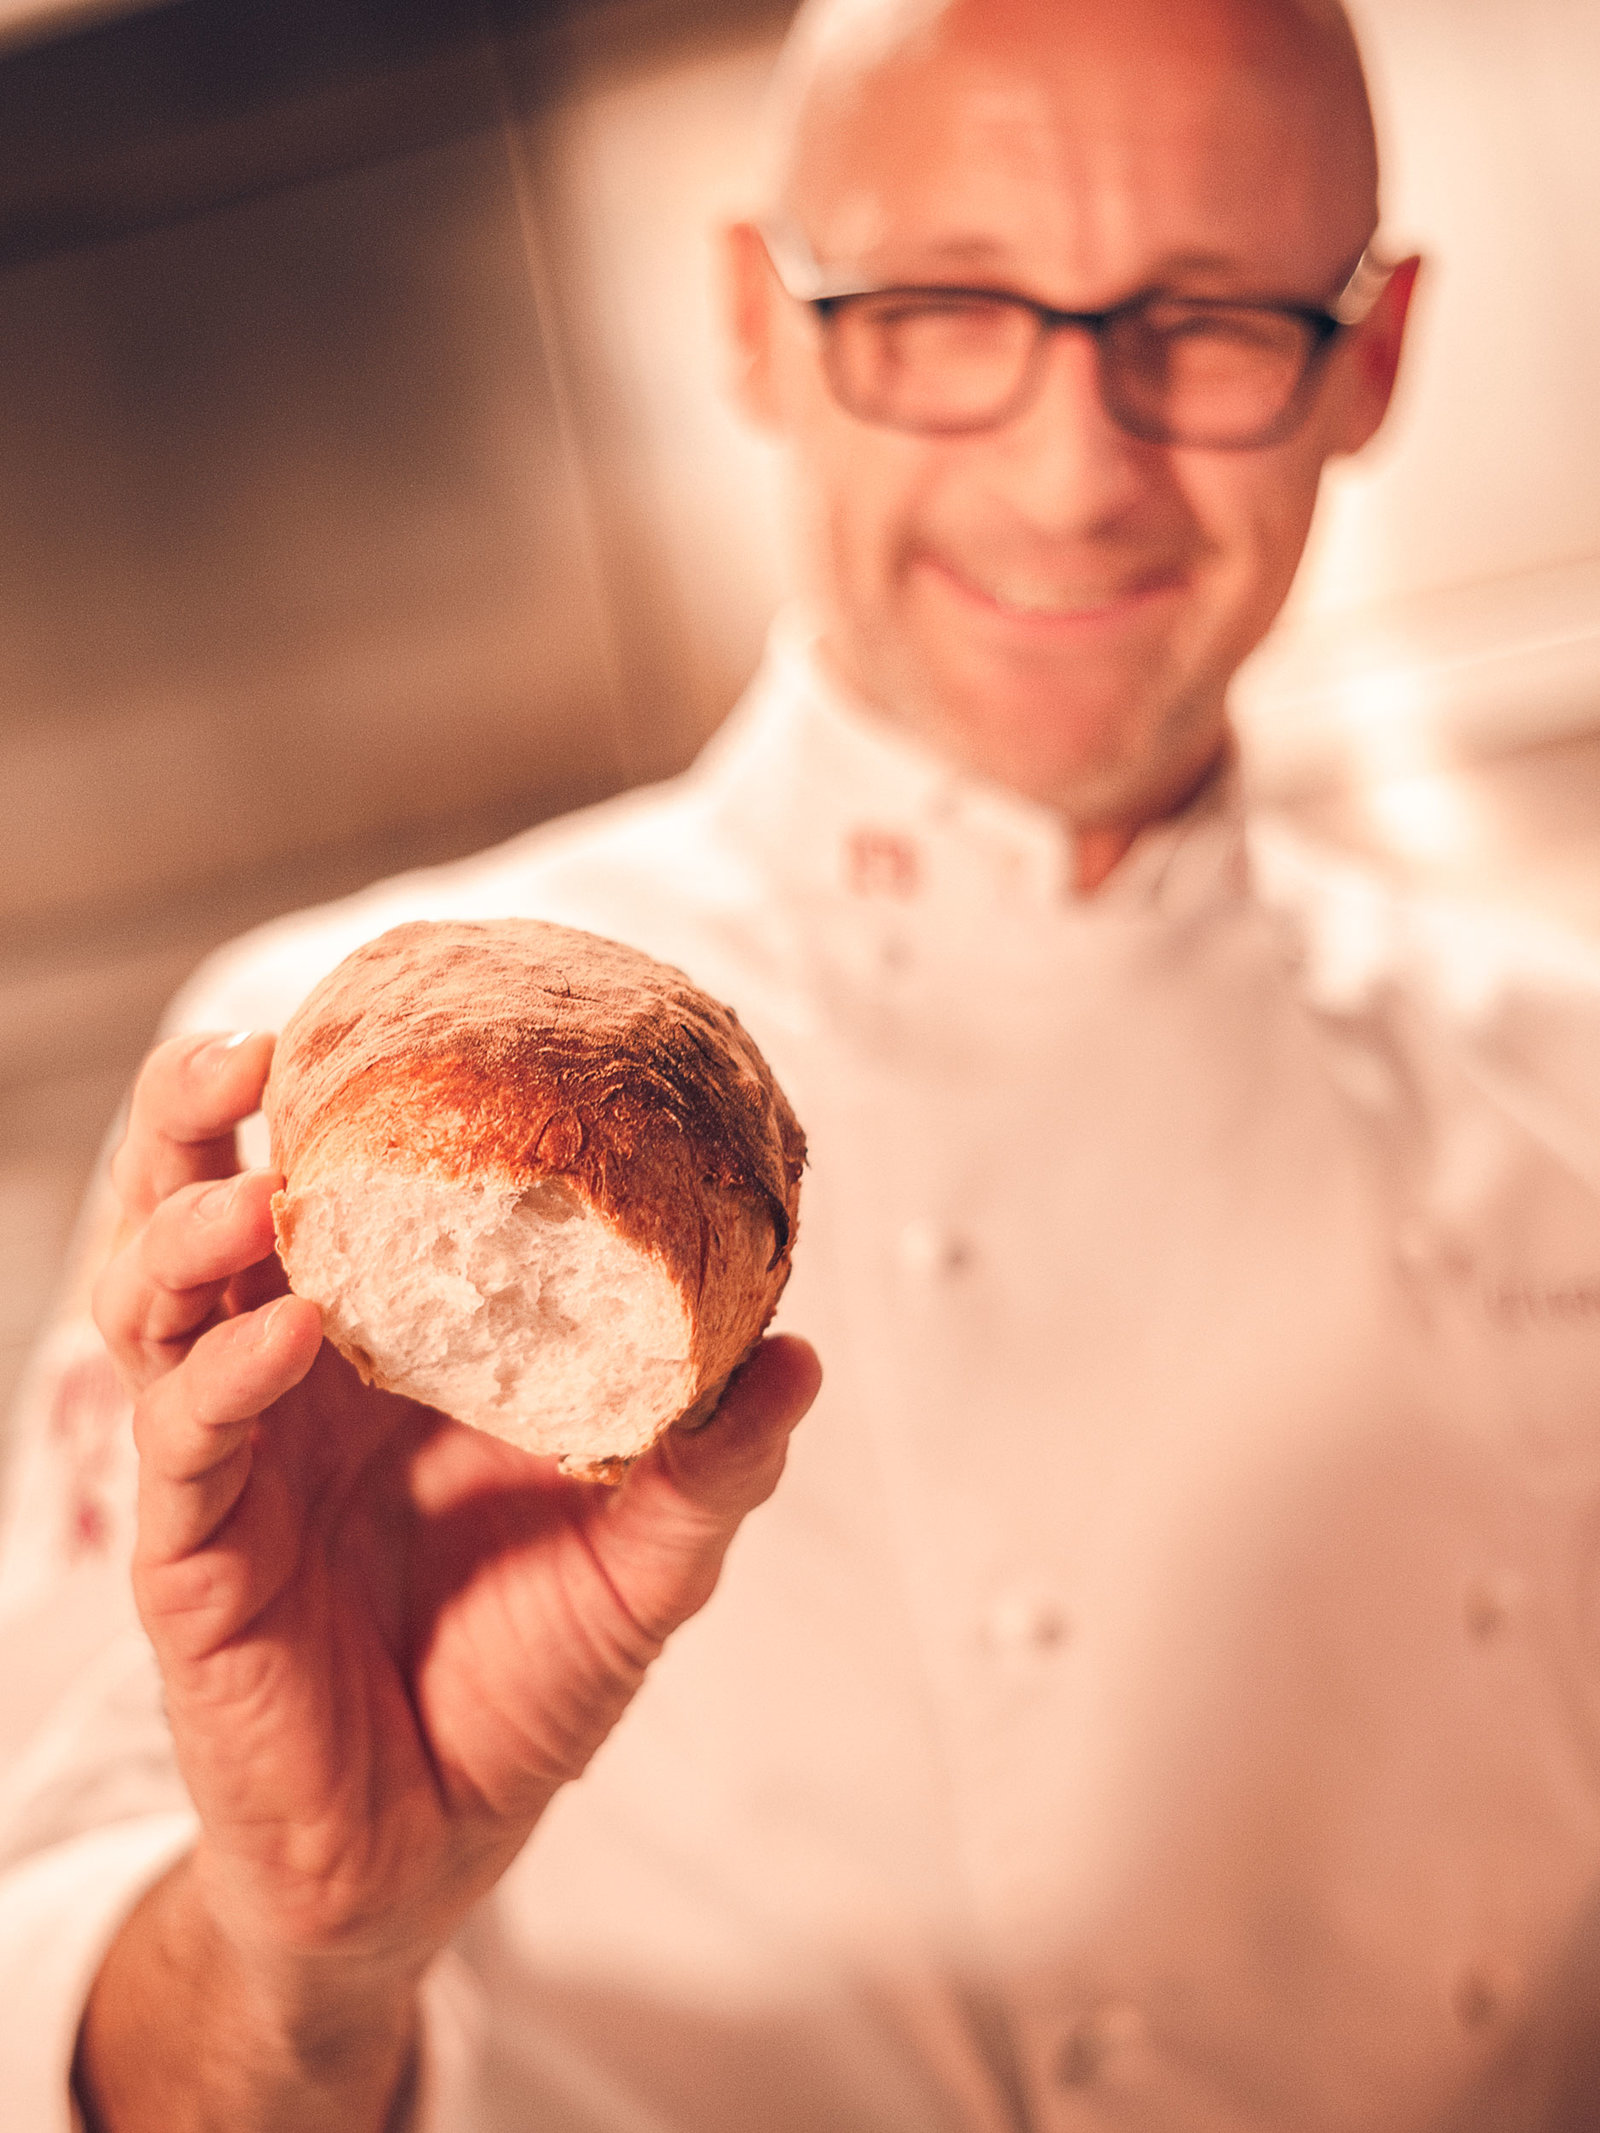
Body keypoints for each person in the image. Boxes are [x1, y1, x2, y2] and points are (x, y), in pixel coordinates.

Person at [5, 0, 1600, 2124]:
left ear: (1371, 353)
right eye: (942, 305)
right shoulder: (318, 1093)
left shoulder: (1561, 1074)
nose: (1070, 466)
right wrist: (306, 1945)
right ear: (757, 321)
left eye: (1208, 320)